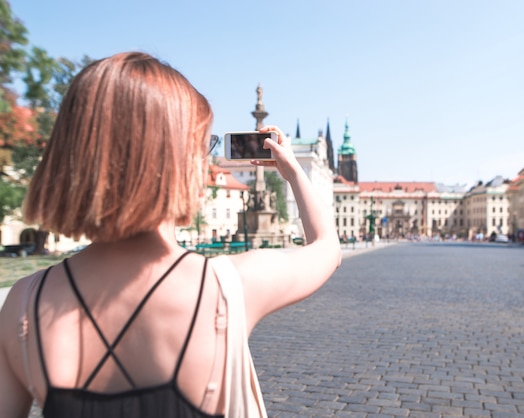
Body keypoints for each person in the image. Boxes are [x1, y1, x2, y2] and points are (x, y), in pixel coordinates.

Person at [0, 52, 341, 418]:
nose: (208, 162)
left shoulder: (24, 303)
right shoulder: (228, 287)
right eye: (202, 146)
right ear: (170, 159)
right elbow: (326, 246)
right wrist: (291, 171)